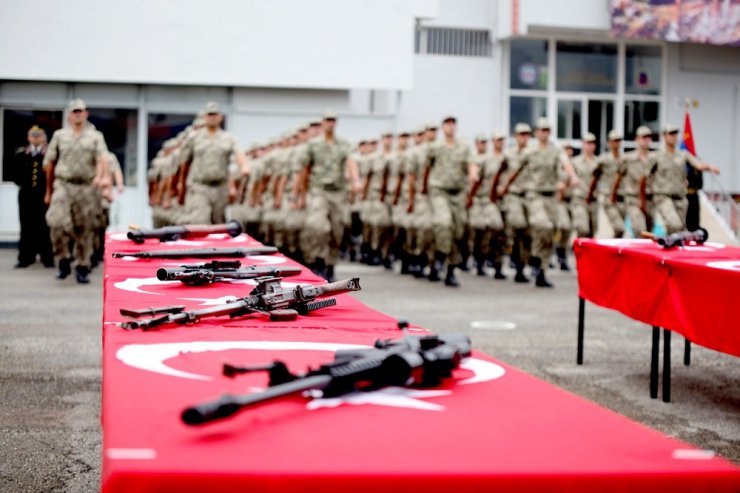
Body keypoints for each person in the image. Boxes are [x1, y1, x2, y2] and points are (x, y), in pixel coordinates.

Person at [44, 99, 110, 283]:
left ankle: (82, 265)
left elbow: (102, 158)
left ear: (86, 113)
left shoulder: (95, 136)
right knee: (56, 222)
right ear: (69, 115)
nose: (78, 114)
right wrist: (48, 191)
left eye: (80, 111)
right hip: (63, 185)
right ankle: (62, 259)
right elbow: (49, 163)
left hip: (86, 187)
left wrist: (100, 176)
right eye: (74, 111)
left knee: (85, 228)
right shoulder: (59, 135)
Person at [296, 110, 362, 281]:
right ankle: (318, 261)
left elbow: (351, 162)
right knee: (318, 226)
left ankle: (330, 264)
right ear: (323, 123)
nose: (330, 123)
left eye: (333, 120)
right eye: (327, 120)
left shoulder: (343, 144)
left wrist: (356, 181)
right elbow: (305, 170)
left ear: (336, 123)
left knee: (337, 229)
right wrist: (300, 194)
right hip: (318, 191)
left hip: (338, 192)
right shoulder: (313, 145)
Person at [517, 117, 579, 288]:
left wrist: (572, 176)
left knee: (550, 231)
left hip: (551, 196)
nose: (544, 133)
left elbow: (566, 163)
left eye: (547, 130)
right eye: (541, 130)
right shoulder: (529, 151)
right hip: (534, 195)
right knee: (542, 225)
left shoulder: (555, 150)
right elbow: (515, 170)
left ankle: (541, 270)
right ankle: (535, 257)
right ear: (536, 133)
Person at [177, 101, 249, 224]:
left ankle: (215, 244)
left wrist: (244, 166)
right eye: (210, 114)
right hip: (199, 186)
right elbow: (185, 164)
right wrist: (182, 186)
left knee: (218, 222)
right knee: (200, 220)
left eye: (215, 114)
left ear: (220, 117)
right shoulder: (194, 138)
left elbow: (238, 154)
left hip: (220, 187)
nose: (212, 117)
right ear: (205, 117)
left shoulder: (228, 138)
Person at [425, 116, 476, 287]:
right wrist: (424, 188)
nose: (450, 127)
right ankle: (439, 256)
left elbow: (472, 164)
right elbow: (427, 168)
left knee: (457, 230)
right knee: (443, 223)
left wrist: (473, 174)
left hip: (458, 193)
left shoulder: (463, 147)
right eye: (447, 124)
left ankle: (450, 271)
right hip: (439, 191)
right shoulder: (435, 147)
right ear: (442, 127)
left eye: (453, 124)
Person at [645, 123, 719, 234]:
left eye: (675, 134)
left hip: (680, 198)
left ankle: (667, 247)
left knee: (680, 230)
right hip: (663, 196)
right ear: (664, 136)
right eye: (671, 134)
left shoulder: (683, 154)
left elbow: (697, 165)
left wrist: (709, 167)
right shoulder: (656, 156)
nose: (674, 136)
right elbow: (645, 175)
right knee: (675, 224)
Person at [12, 126, 54, 268]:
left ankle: (47, 258)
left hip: (44, 196)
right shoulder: (22, 154)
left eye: (39, 135)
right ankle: (25, 258)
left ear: (44, 137)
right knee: (26, 226)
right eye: (33, 135)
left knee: (44, 226)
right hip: (26, 196)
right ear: (28, 137)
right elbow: (16, 177)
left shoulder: (49, 155)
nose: (36, 137)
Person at [499, 123, 533, 283]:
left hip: (530, 196)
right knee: (518, 226)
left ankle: (521, 266)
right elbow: (500, 173)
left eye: (526, 134)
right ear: (515, 136)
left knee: (528, 233)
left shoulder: (534, 154)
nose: (523, 137)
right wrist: (500, 188)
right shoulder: (509, 155)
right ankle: (514, 258)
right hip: (513, 195)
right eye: (521, 134)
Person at [612, 126, 655, 237]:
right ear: (637, 139)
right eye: (643, 137)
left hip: (650, 200)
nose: (646, 140)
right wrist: (614, 196)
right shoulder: (628, 158)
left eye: (649, 137)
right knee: (640, 230)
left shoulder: (655, 159)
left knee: (649, 232)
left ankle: (643, 254)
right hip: (633, 199)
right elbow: (618, 177)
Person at [597, 130, 626, 237]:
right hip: (609, 198)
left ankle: (615, 251)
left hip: (622, 198)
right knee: (619, 227)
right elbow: (595, 176)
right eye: (614, 141)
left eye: (619, 140)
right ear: (609, 142)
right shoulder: (603, 159)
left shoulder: (625, 159)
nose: (617, 143)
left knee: (620, 231)